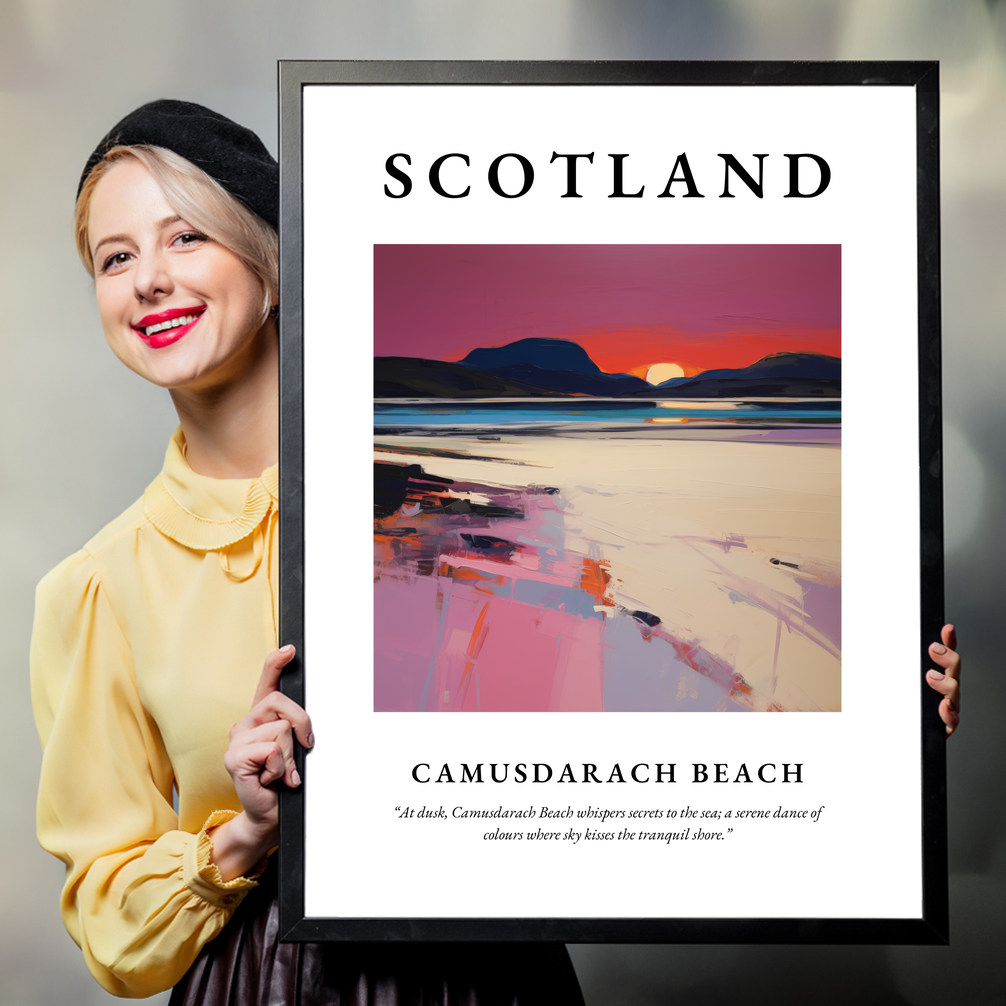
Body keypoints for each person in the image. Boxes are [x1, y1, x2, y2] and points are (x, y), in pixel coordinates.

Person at [30, 100, 585, 1004]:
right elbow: (110, 923)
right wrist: (245, 832)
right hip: (263, 981)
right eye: (116, 257)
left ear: (273, 264)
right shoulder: (97, 587)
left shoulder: (461, 502)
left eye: (186, 238)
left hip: (491, 973)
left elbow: (620, 714)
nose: (148, 281)